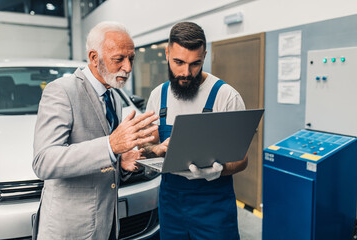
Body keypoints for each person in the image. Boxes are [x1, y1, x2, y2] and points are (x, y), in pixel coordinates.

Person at [32, 21, 158, 240]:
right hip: (71, 230)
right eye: (119, 59)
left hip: (107, 224)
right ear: (93, 58)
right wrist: (111, 145)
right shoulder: (62, 91)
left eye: (131, 59)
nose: (127, 67)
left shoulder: (114, 97)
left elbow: (105, 162)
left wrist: (122, 162)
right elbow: (44, 161)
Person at [143, 22, 248, 239]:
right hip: (171, 204)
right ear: (167, 52)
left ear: (205, 56)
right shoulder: (158, 96)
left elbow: (242, 160)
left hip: (214, 209)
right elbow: (146, 146)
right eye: (178, 62)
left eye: (195, 64)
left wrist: (217, 171)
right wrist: (156, 149)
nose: (186, 72)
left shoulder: (226, 96)